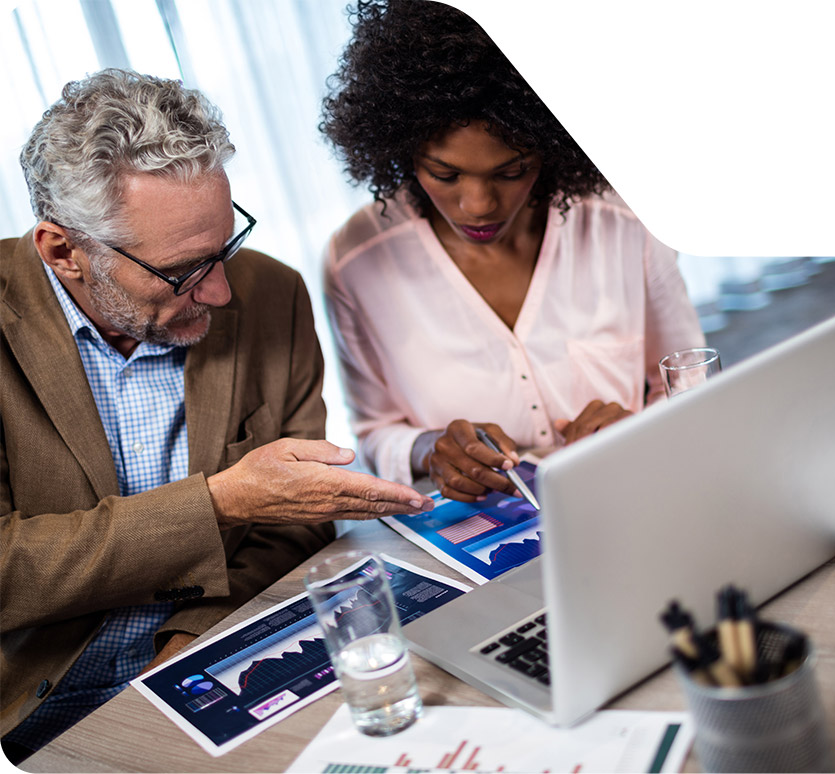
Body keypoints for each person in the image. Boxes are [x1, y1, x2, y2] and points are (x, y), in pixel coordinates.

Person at [0, 68, 433, 763]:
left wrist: (183, 649)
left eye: (226, 245)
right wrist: (220, 504)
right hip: (40, 702)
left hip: (225, 646)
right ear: (64, 251)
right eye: (183, 270)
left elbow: (298, 521)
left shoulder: (274, 294)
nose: (224, 290)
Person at [320, 0, 705, 503]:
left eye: (510, 171)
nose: (478, 206)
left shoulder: (628, 221)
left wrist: (642, 430)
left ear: (554, 145)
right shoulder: (355, 263)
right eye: (445, 173)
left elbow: (692, 382)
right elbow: (373, 434)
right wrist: (430, 448)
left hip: (634, 500)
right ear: (399, 149)